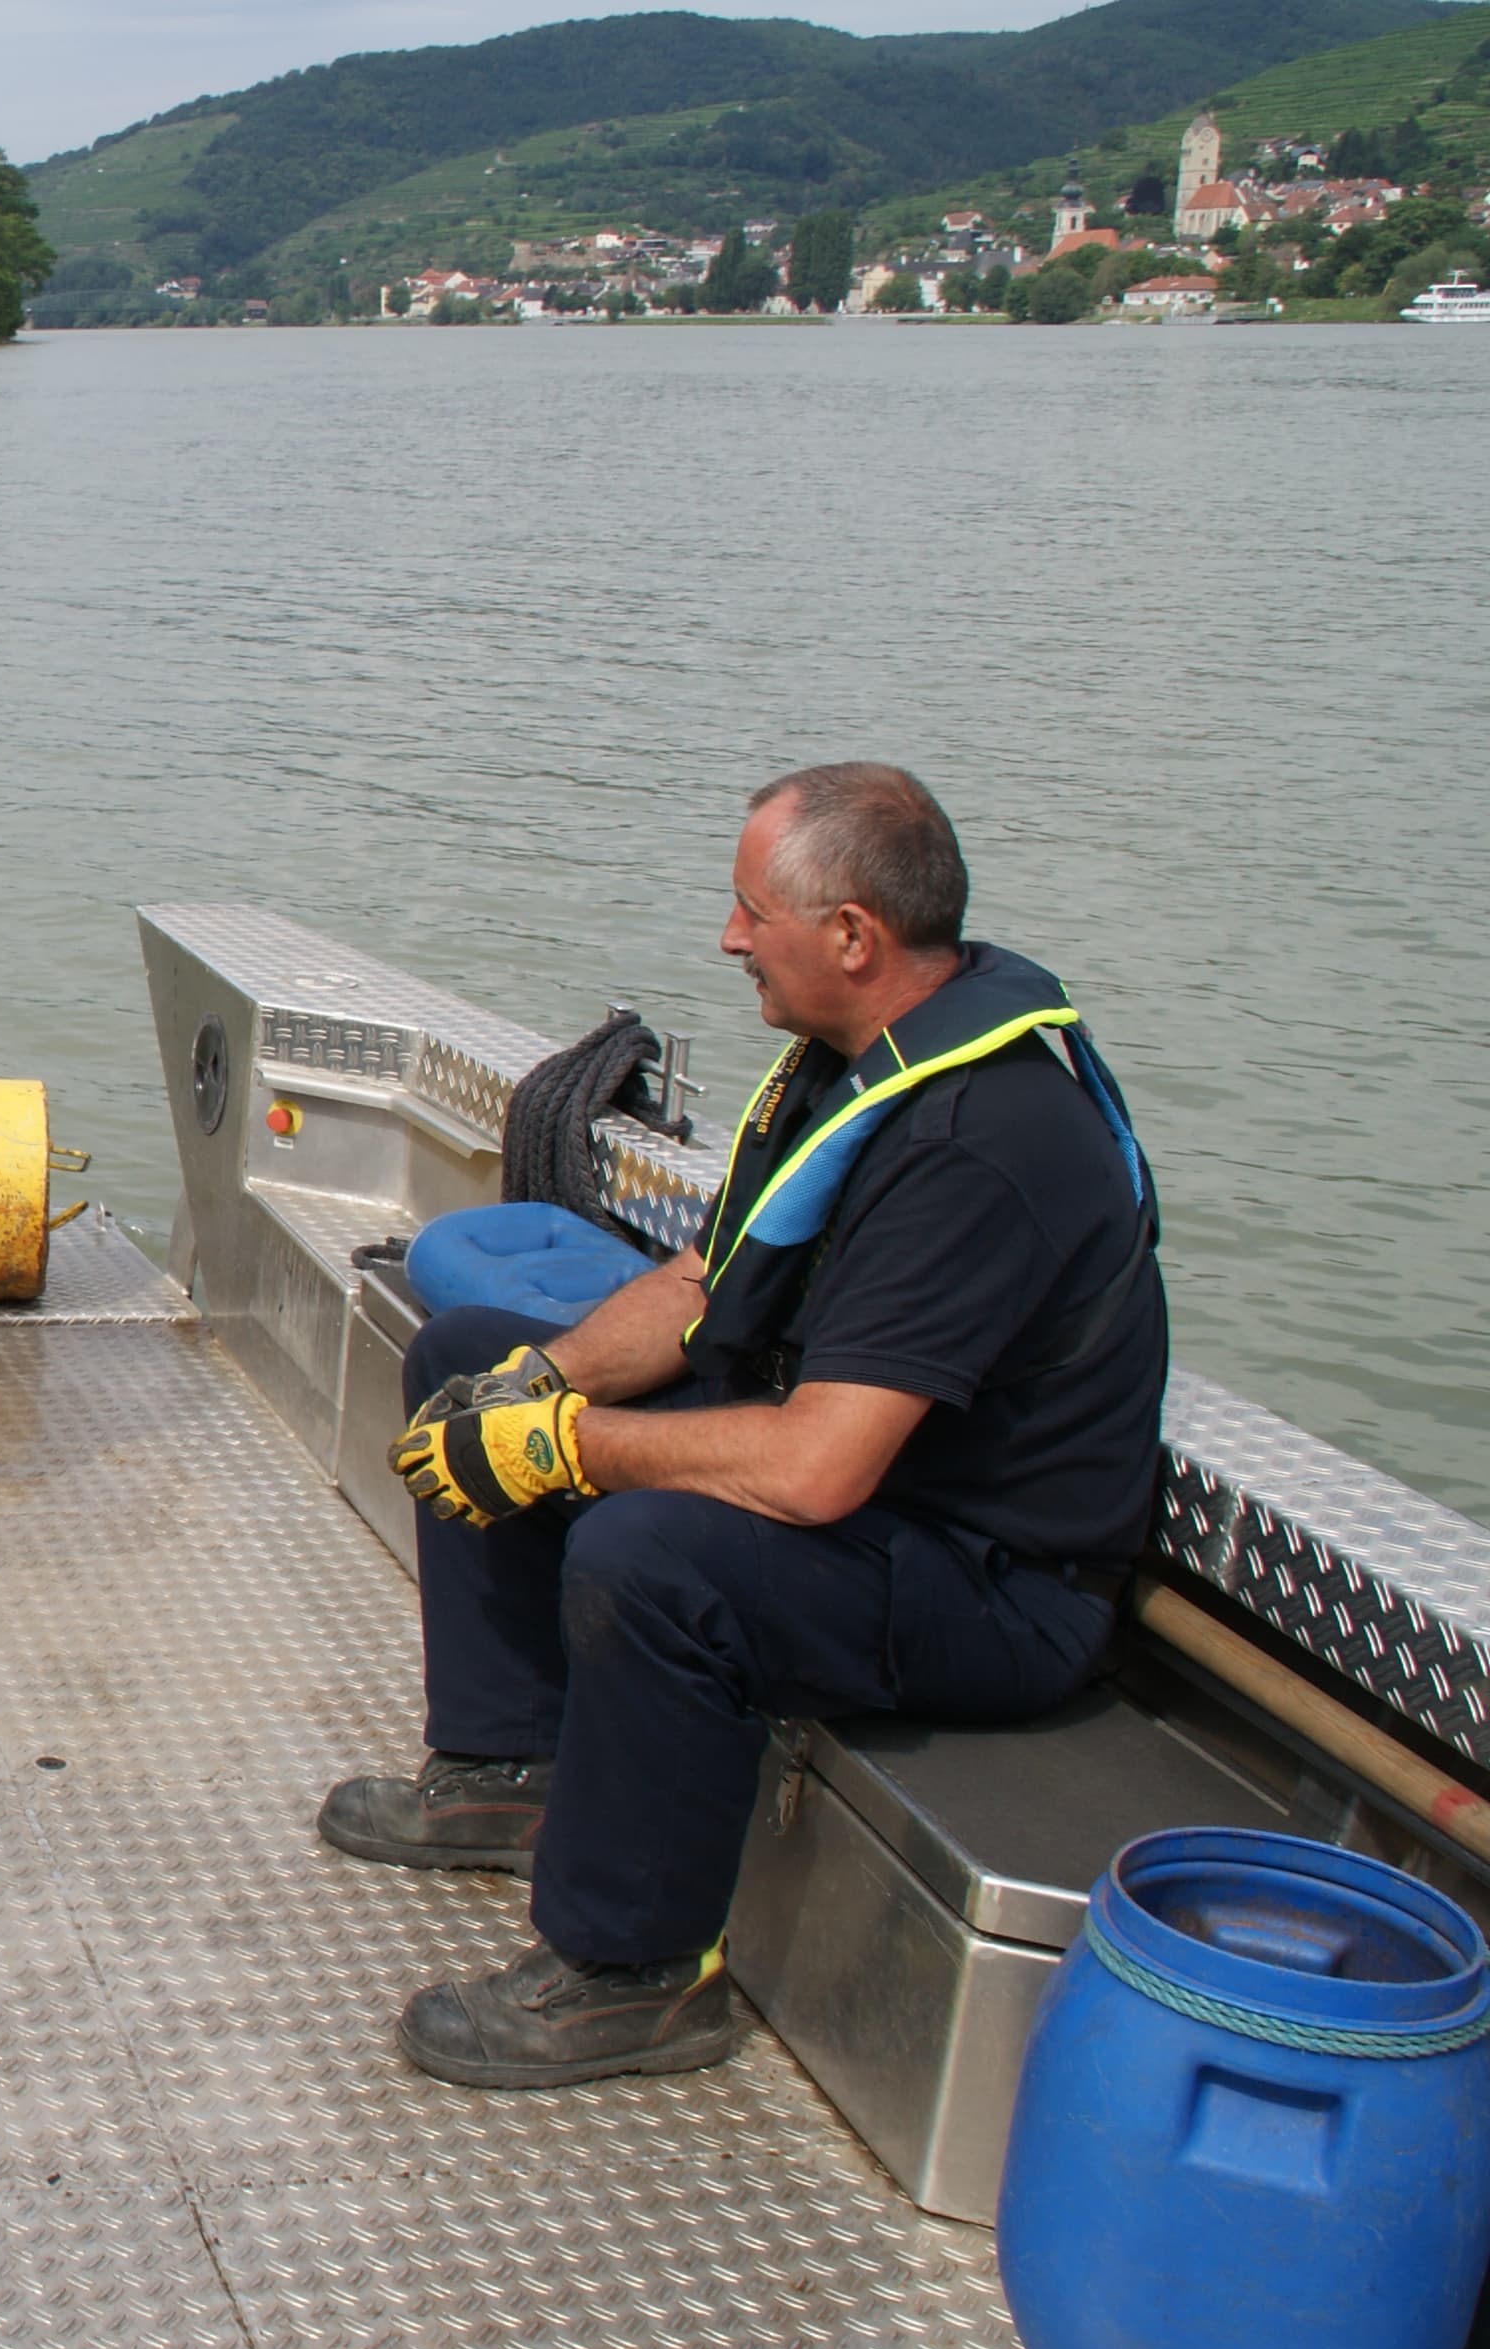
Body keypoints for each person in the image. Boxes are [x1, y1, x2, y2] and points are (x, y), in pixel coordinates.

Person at [332, 762, 1166, 2088]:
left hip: (990, 1578)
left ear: (853, 935)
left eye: (751, 913)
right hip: (870, 1484)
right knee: (465, 1361)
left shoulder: (978, 1140)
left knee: (650, 1553)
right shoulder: (846, 1070)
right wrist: (535, 1386)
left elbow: (820, 1466)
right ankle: (510, 1767)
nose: (728, 938)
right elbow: (701, 1286)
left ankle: (636, 1978)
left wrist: (564, 1448)